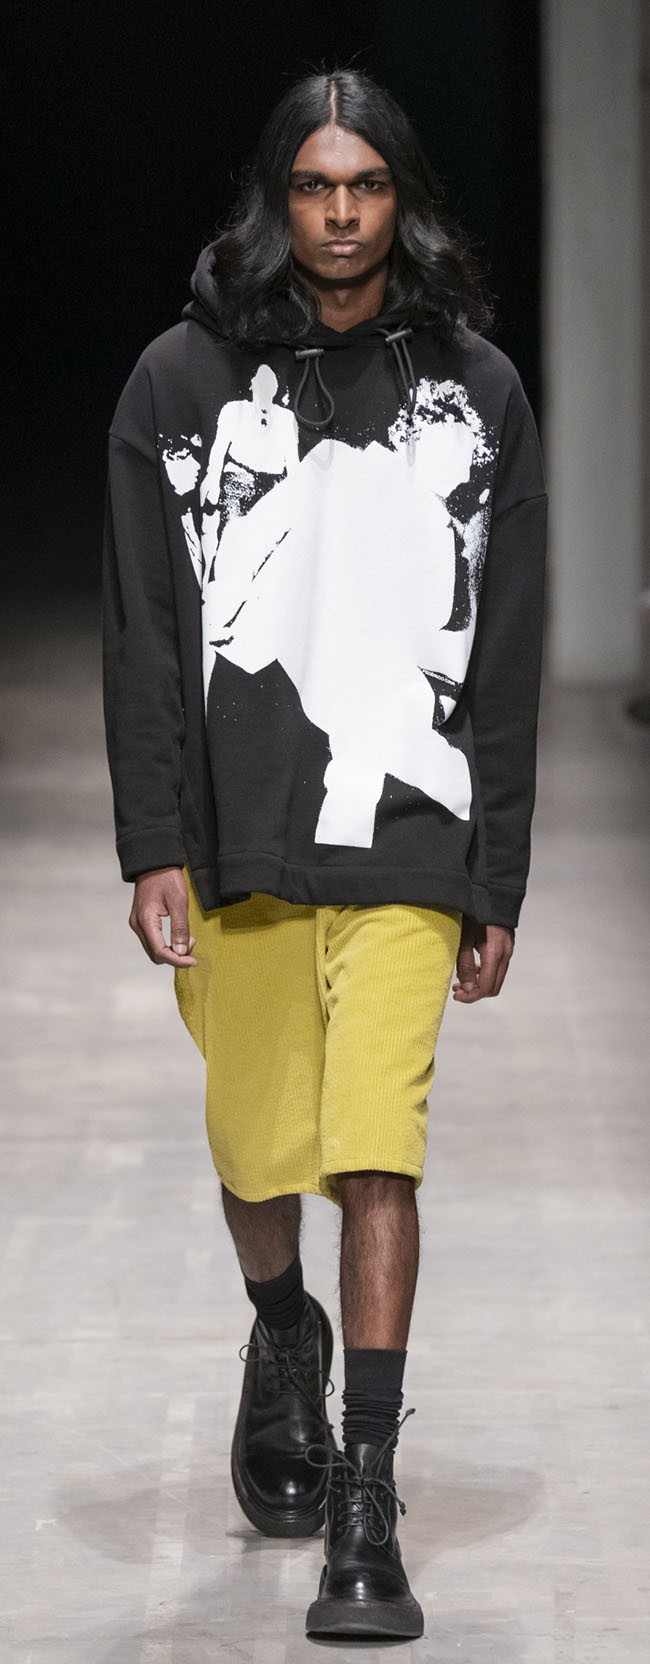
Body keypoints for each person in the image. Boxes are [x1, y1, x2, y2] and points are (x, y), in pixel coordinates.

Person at [102, 66, 547, 1642]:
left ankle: (366, 1500)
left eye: (365, 186)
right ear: (275, 198)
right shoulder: (177, 382)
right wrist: (152, 840)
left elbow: (506, 644)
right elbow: (146, 633)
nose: (341, 214)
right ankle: (277, 1325)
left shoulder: (476, 392)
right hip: (239, 828)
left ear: (400, 199)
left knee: (374, 1148)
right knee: (255, 1150)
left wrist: (495, 871)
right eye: (314, 186)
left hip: (408, 826)